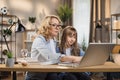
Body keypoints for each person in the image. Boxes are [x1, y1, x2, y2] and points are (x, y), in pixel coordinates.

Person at [25, 15, 82, 80]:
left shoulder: (53, 40)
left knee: (75, 76)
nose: (57, 28)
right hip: (36, 77)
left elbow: (54, 61)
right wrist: (74, 59)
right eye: (54, 25)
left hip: (48, 74)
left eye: (58, 25)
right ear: (47, 26)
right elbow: (51, 57)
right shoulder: (39, 40)